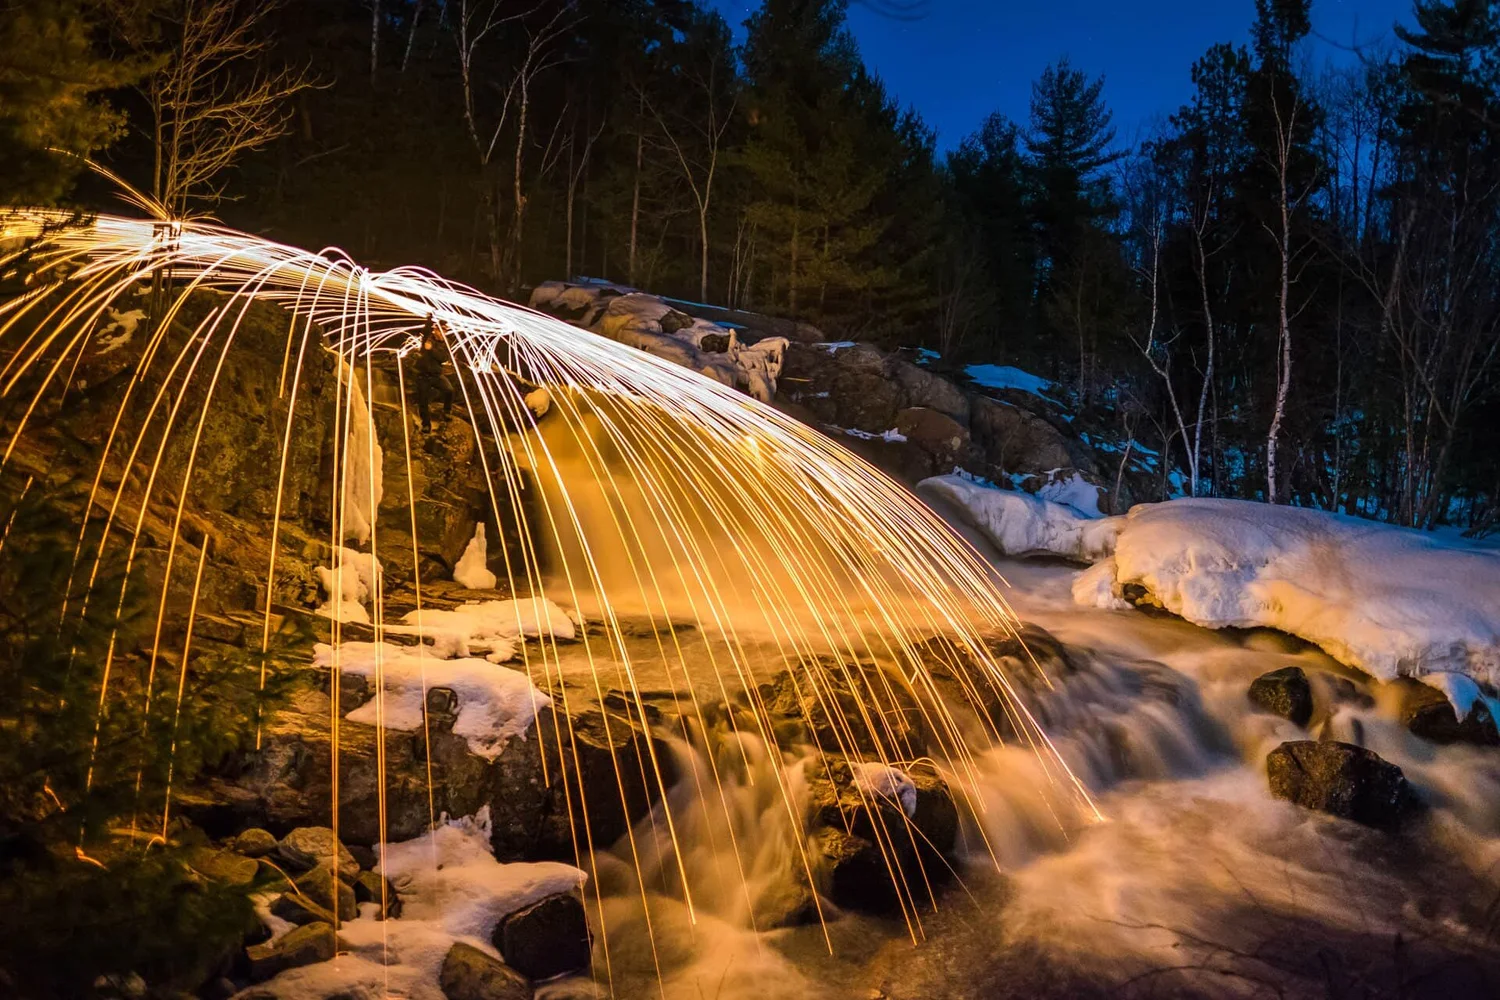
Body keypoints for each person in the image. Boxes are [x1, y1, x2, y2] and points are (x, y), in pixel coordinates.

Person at [410, 315, 454, 431]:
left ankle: (447, 411)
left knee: (449, 390)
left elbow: (443, 358)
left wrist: (431, 350)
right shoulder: (428, 338)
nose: (442, 333)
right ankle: (426, 424)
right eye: (440, 330)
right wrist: (429, 319)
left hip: (436, 375)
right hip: (423, 376)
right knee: (423, 401)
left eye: (444, 330)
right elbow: (425, 331)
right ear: (436, 330)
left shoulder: (445, 344)